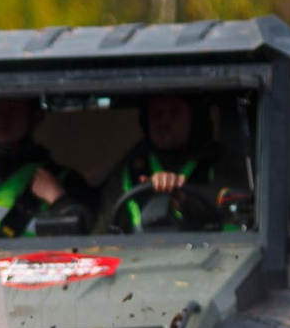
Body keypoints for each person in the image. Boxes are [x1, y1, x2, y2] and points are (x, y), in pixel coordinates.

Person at [103, 94, 248, 231]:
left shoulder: (225, 164)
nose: (163, 121)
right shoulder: (127, 172)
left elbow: (240, 220)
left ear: (194, 117)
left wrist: (185, 200)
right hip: (141, 249)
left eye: (174, 112)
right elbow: (102, 234)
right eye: (157, 113)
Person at [0, 98, 84, 237]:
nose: (2, 116)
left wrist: (59, 200)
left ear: (36, 115)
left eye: (12, 107)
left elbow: (84, 240)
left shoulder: (65, 180)